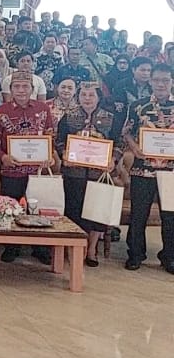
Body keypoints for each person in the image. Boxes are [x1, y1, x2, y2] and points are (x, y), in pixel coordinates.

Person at [0, 71, 56, 264]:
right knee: (11, 208)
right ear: (10, 89)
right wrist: (4, 157)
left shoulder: (43, 109)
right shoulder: (0, 112)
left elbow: (50, 137)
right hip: (11, 170)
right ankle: (11, 246)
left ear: (32, 89)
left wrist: (49, 156)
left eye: (25, 86)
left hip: (37, 172)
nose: (21, 90)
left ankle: (39, 248)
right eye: (16, 86)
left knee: (37, 209)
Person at [55, 82, 118, 268]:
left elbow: (119, 142)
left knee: (97, 212)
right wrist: (64, 154)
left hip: (99, 173)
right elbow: (59, 140)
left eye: (91, 95)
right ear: (78, 97)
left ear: (98, 97)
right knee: (74, 209)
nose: (87, 98)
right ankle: (76, 247)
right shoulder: (69, 116)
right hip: (74, 172)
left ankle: (91, 249)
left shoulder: (110, 118)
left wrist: (113, 159)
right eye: (83, 95)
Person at [122, 63, 174, 272]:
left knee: (170, 215)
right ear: (150, 81)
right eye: (157, 80)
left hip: (171, 172)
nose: (161, 84)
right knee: (139, 213)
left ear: (172, 82)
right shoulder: (138, 105)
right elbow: (126, 132)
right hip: (142, 169)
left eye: (165, 80)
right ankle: (135, 254)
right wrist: (134, 147)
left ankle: (169, 257)